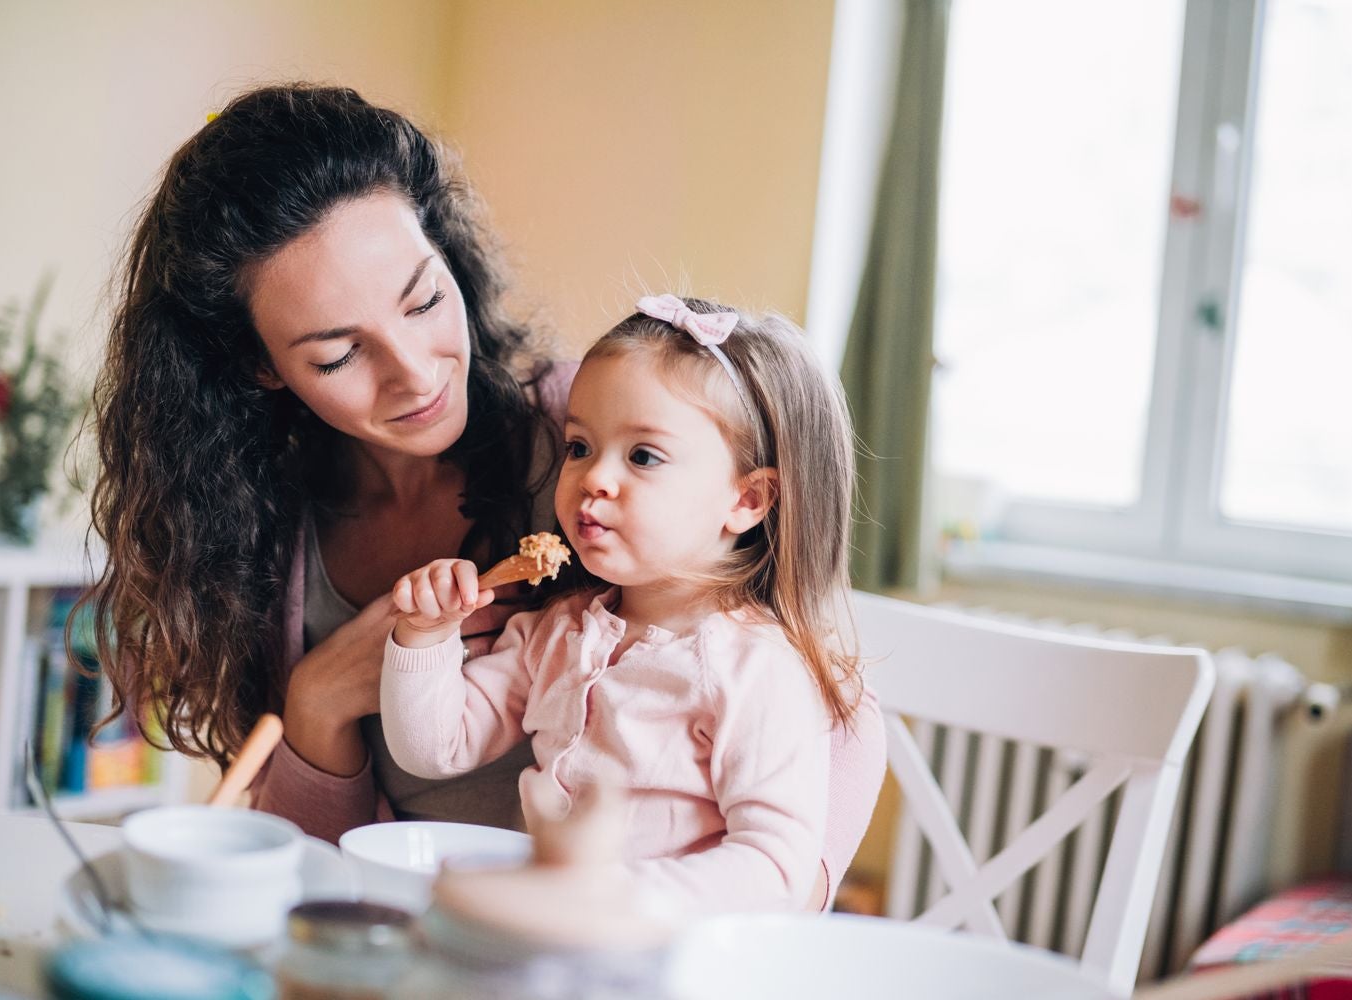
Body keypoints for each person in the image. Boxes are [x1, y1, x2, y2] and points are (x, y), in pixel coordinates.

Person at [86, 83, 885, 908]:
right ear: (262, 367)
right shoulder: (258, 532)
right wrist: (317, 701)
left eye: (425, 301)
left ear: (447, 255)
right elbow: (311, 872)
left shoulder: (605, 429)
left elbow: (830, 708)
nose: (415, 371)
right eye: (335, 356)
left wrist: (741, 905)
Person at [380, 294, 877, 913]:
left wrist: (605, 897)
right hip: (548, 948)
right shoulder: (557, 633)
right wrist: (424, 637)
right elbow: (432, 748)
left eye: (643, 456)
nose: (593, 478)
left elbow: (774, 870)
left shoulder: (756, 668)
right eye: (579, 446)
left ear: (747, 500)